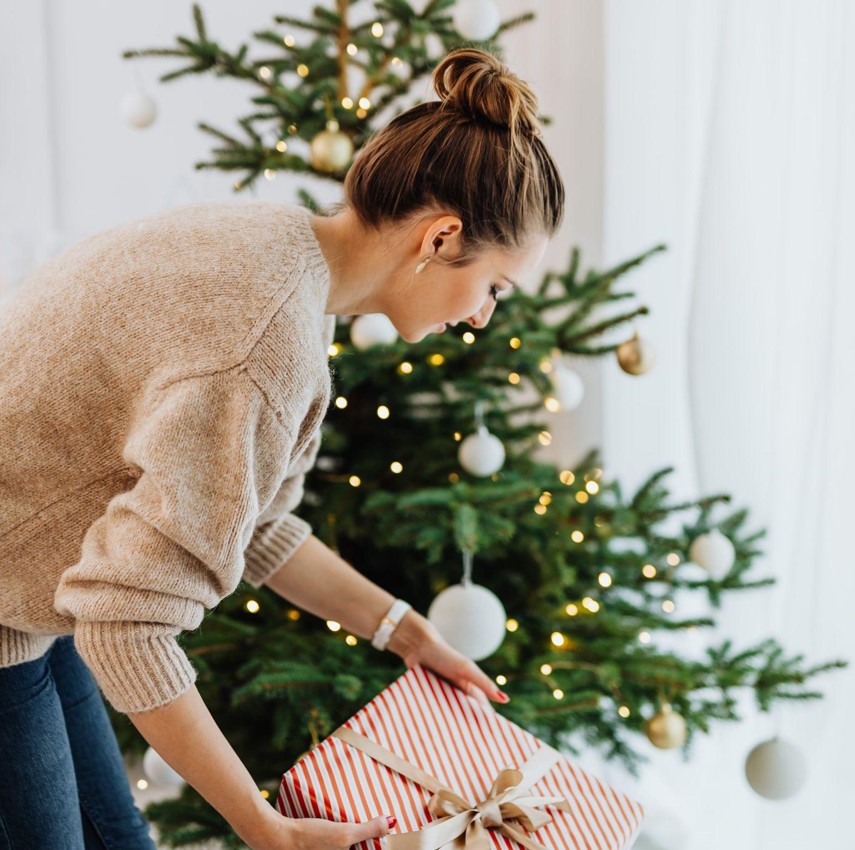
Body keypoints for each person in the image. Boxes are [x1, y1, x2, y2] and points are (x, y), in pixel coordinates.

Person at [0, 46, 564, 850]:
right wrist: (263, 826)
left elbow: (252, 519)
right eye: (496, 288)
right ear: (441, 238)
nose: (482, 318)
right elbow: (127, 626)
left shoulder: (273, 248)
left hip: (22, 596)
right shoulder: (266, 346)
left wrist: (402, 632)